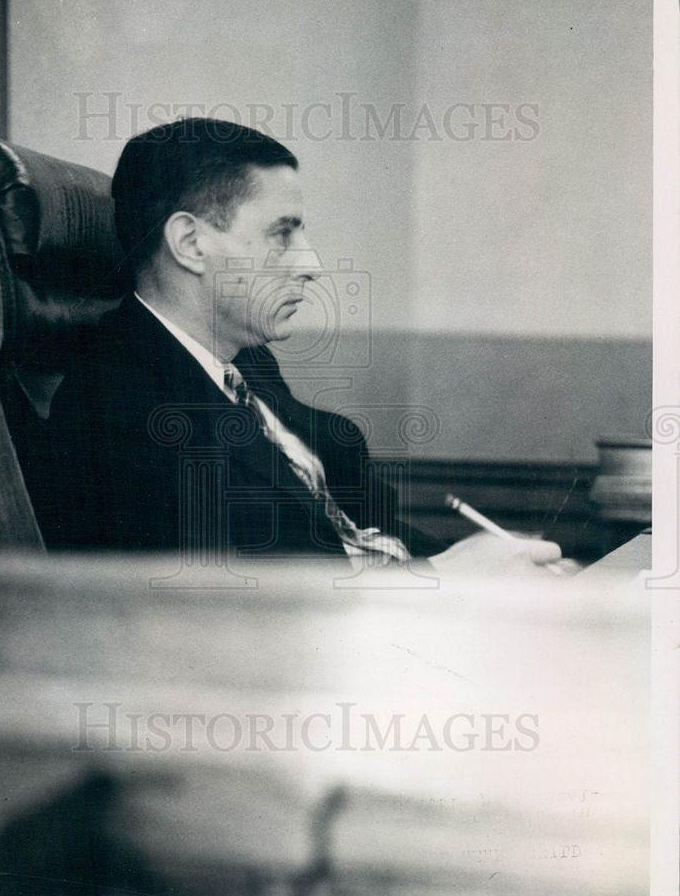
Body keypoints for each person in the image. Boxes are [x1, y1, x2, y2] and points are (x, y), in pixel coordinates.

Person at [37, 117, 560, 575]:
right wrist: (444, 579)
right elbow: (247, 603)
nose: (311, 264)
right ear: (191, 244)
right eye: (281, 235)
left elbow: (355, 528)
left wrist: (500, 569)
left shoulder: (244, 363)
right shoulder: (117, 407)